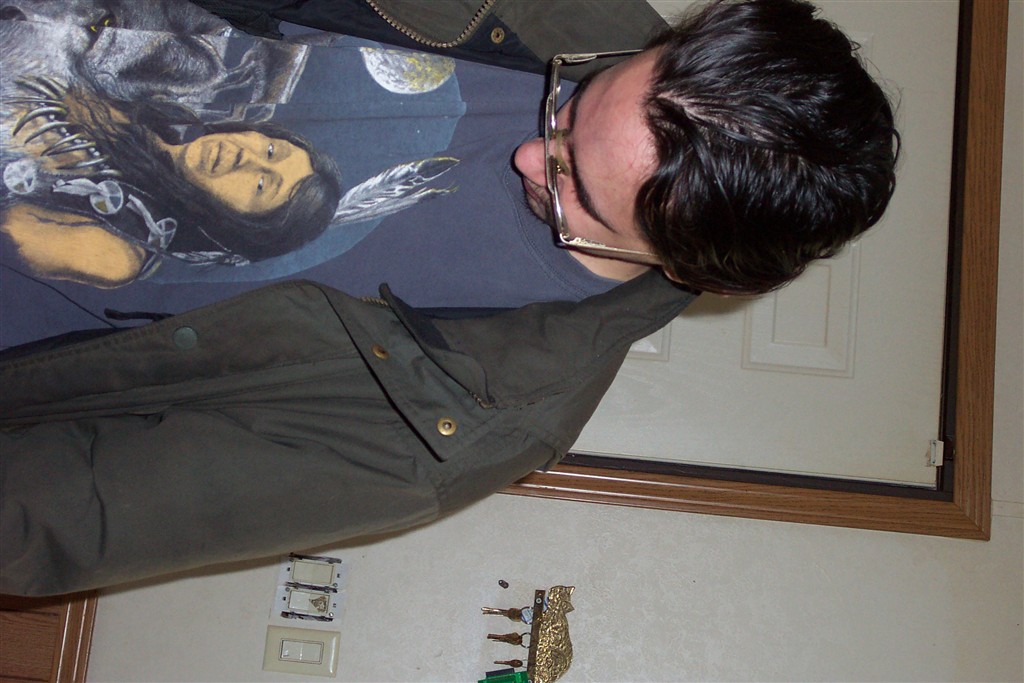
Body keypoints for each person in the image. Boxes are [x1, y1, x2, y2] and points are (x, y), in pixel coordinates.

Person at [0, 0, 899, 596]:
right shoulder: (574, 15)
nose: (526, 152)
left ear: (699, 275)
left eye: (578, 192)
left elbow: (64, 512)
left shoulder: (467, 421)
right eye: (578, 98)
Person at [2, 85, 343, 286]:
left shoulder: (119, 252)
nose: (247, 158)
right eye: (270, 150)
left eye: (261, 185)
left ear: (238, 224)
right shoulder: (151, 110)